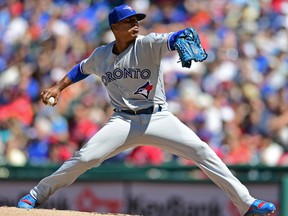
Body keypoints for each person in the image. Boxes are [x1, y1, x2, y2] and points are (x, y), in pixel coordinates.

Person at [18, 4, 276, 216]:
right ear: (115, 27)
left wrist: (178, 38)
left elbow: (170, 39)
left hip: (158, 117)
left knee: (201, 150)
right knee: (84, 158)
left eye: (136, 20)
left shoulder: (147, 44)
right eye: (129, 21)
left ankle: (246, 203)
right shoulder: (101, 55)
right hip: (122, 122)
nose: (135, 25)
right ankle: (35, 195)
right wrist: (58, 87)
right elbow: (80, 69)